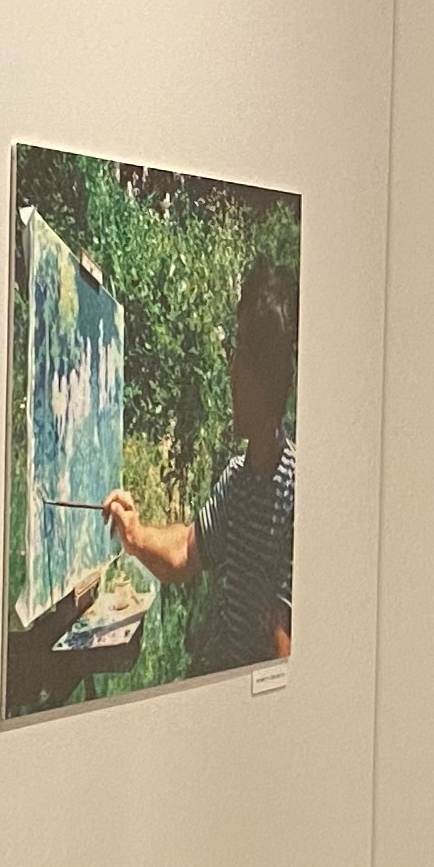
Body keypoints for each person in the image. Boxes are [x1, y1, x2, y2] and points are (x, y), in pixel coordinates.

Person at [103, 252, 296, 667]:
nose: (232, 370)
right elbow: (186, 551)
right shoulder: (239, 479)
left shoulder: (298, 496)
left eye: (245, 355)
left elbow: (286, 652)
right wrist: (136, 535)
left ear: (272, 376)